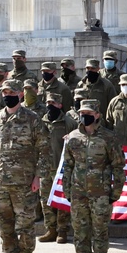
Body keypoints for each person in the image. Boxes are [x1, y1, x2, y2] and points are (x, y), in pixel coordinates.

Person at [0, 80, 51, 253]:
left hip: (24, 182)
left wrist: (39, 176)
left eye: (11, 92)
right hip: (1, 181)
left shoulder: (32, 119)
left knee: (25, 225)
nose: (7, 95)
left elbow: (44, 150)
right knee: (4, 225)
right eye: (4, 92)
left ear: (21, 94)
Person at [62, 99, 126, 253]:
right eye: (82, 112)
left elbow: (118, 166)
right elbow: (68, 166)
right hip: (78, 193)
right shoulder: (73, 137)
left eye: (89, 113)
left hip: (100, 194)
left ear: (97, 115)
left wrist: (116, 192)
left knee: (100, 232)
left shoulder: (109, 138)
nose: (84, 116)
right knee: (81, 233)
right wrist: (67, 190)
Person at [40, 92, 77, 242]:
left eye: (53, 103)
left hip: (61, 168)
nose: (50, 106)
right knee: (45, 200)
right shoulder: (41, 122)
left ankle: (62, 230)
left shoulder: (69, 122)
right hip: (44, 168)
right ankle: (51, 229)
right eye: (48, 103)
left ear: (60, 105)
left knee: (61, 200)